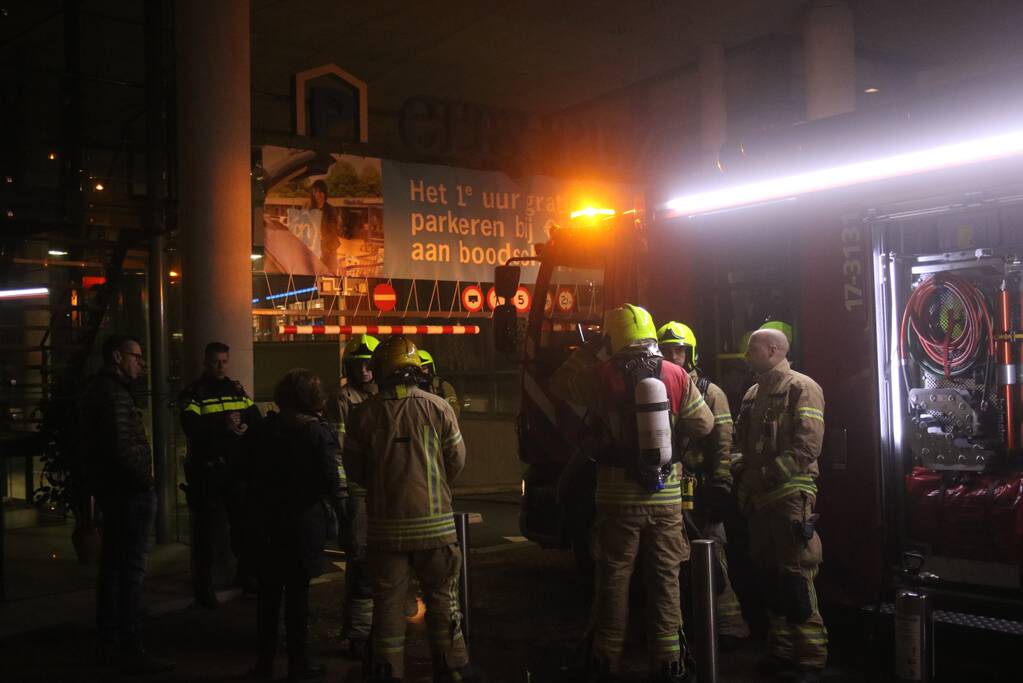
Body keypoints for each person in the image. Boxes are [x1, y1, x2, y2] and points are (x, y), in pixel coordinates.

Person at [551, 304, 714, 682]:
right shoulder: (674, 373)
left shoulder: (599, 374)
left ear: (613, 338)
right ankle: (669, 662)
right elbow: (704, 425)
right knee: (665, 580)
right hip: (666, 500)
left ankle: (605, 660)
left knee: (613, 580)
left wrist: (589, 351)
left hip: (616, 501)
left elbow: (559, 384)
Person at [343, 337, 474, 683]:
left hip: (386, 531)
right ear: (415, 369)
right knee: (444, 601)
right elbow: (456, 463)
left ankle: (388, 671)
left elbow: (355, 470)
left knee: (387, 607)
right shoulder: (439, 407)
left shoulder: (362, 414)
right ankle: (450, 670)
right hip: (435, 529)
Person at [731, 329, 827, 683]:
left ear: (773, 350)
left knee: (794, 577)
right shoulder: (753, 393)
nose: (746, 355)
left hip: (790, 498)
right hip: (759, 502)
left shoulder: (803, 388)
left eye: (751, 348)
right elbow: (738, 444)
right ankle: (782, 650)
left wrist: (765, 477)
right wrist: (742, 472)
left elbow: (807, 449)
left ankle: (812, 657)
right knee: (769, 578)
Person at [80, 334, 173, 674]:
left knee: (114, 569)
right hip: (127, 493)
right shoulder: (113, 394)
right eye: (136, 356)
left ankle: (110, 641)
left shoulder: (102, 391)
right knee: (130, 571)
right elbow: (121, 447)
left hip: (116, 491)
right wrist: (145, 481)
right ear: (117, 358)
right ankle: (130, 645)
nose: (142, 363)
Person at [657, 322, 751, 650]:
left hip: (704, 487)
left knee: (714, 558)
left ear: (691, 353)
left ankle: (731, 627)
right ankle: (692, 626)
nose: (673, 356)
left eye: (679, 350)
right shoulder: (657, 388)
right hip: (670, 490)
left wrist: (722, 486)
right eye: (667, 350)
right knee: (674, 561)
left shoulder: (711, 392)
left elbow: (724, 443)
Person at [248, 369, 342, 681]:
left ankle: (264, 663)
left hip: (267, 521)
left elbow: (244, 473)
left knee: (269, 595)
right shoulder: (317, 432)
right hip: (303, 522)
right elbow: (332, 480)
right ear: (312, 399)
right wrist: (344, 519)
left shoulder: (263, 429)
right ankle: (298, 662)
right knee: (298, 596)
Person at [179, 342, 262, 606]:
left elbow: (254, 418)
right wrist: (225, 428)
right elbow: (192, 429)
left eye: (224, 361)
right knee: (206, 533)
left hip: (235, 472)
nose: (220, 366)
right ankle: (203, 586)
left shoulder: (235, 389)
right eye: (216, 361)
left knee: (243, 527)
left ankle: (245, 575)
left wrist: (245, 427)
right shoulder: (194, 393)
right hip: (208, 473)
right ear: (206, 362)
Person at [329, 334, 379, 659]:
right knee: (360, 562)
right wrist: (343, 493)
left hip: (381, 492)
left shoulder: (383, 396)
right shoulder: (343, 399)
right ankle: (358, 635)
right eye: (358, 364)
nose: (364, 370)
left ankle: (376, 629)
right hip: (358, 494)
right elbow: (338, 448)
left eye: (369, 363)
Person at [416, 348, 460, 417]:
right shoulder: (410, 389)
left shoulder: (443, 386)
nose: (421, 373)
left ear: (431, 369)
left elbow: (454, 412)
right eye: (418, 370)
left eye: (424, 368)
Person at [308, 179, 341, 273]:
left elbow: (333, 231)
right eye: (316, 192)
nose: (318, 194)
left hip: (329, 249)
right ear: (313, 194)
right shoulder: (310, 210)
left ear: (325, 193)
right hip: (315, 250)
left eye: (321, 192)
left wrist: (322, 242)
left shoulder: (331, 210)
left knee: (330, 274)